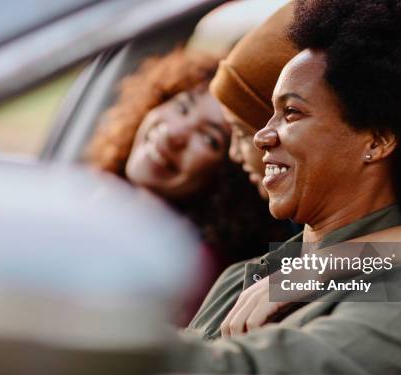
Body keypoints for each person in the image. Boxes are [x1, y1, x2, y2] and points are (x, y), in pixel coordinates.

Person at [177, 0, 401, 375]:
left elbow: (254, 374)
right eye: (268, 114)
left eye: (292, 112)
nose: (263, 136)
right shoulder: (245, 276)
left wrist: (114, 351)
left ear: (377, 141)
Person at [88, 48, 287, 320]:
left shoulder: (191, 267)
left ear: (233, 175)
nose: (173, 133)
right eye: (182, 107)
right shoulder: (96, 193)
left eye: (209, 139)